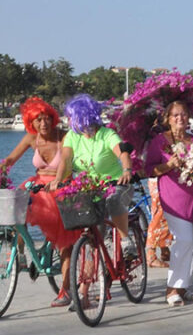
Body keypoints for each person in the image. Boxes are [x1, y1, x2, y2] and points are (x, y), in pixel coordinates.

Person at [0, 97, 81, 306]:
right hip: (37, 184)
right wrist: (3, 168)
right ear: (31, 122)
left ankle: (66, 290)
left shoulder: (63, 137)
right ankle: (19, 254)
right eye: (38, 120)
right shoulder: (30, 138)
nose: (43, 124)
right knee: (16, 207)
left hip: (59, 185)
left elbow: (65, 162)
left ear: (53, 119)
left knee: (64, 240)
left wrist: (58, 181)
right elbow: (11, 159)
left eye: (46, 119)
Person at [145, 101, 193, 307]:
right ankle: (171, 288)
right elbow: (150, 170)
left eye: (183, 114)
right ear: (168, 118)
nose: (179, 118)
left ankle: (183, 288)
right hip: (173, 199)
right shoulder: (159, 142)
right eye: (175, 115)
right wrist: (169, 165)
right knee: (183, 241)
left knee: (192, 247)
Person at [53, 94, 135, 259]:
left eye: (71, 117)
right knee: (87, 219)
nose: (68, 121)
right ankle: (96, 266)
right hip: (91, 187)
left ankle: (126, 239)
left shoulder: (107, 135)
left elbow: (123, 153)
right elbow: (66, 159)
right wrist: (58, 179)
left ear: (82, 116)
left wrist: (126, 170)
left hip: (115, 183)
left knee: (113, 200)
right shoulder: (72, 136)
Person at [145, 178, 171, 269]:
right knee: (160, 215)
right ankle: (151, 255)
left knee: (163, 214)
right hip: (159, 180)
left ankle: (164, 249)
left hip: (160, 179)